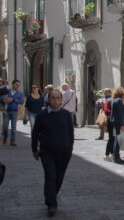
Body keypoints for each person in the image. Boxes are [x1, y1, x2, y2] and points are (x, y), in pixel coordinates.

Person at [32, 89, 74, 217]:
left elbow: (71, 133)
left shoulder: (66, 115)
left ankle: (49, 196)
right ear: (48, 100)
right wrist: (34, 149)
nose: (55, 100)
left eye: (57, 98)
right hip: (47, 152)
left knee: (59, 178)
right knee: (50, 176)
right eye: (53, 98)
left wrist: (70, 149)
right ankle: (51, 205)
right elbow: (35, 133)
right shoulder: (41, 115)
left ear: (61, 100)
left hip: (64, 153)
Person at [0, 79, 24, 146]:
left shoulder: (20, 93)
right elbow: (1, 98)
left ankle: (12, 140)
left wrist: (13, 100)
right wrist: (3, 100)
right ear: (13, 84)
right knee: (5, 126)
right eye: (16, 84)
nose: (17, 86)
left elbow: (21, 101)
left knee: (13, 127)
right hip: (6, 111)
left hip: (14, 111)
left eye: (18, 85)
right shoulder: (7, 91)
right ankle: (5, 136)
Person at [109, 86, 124, 164]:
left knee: (116, 138)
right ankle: (116, 157)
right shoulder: (119, 101)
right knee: (118, 139)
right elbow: (120, 113)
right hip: (119, 122)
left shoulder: (114, 100)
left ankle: (116, 157)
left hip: (115, 122)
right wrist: (122, 124)